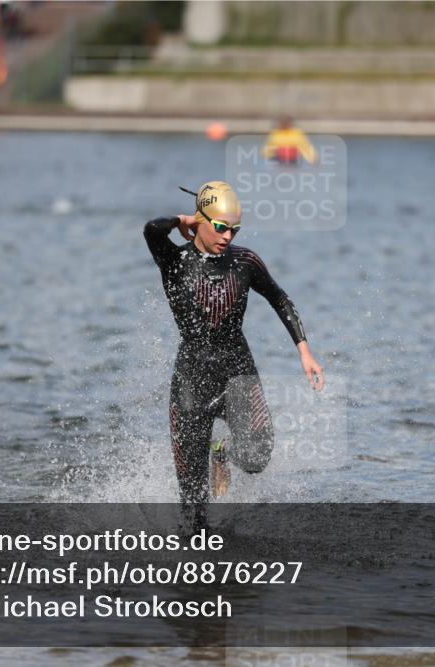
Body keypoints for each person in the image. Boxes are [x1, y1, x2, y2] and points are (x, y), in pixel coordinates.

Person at [144, 181, 324, 530]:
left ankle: (220, 450)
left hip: (237, 371)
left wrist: (305, 350)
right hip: (191, 381)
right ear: (201, 220)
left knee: (256, 458)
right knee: (193, 510)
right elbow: (152, 229)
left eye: (235, 229)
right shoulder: (173, 260)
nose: (227, 236)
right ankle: (202, 581)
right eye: (220, 227)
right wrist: (182, 219)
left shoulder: (245, 260)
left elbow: (279, 298)